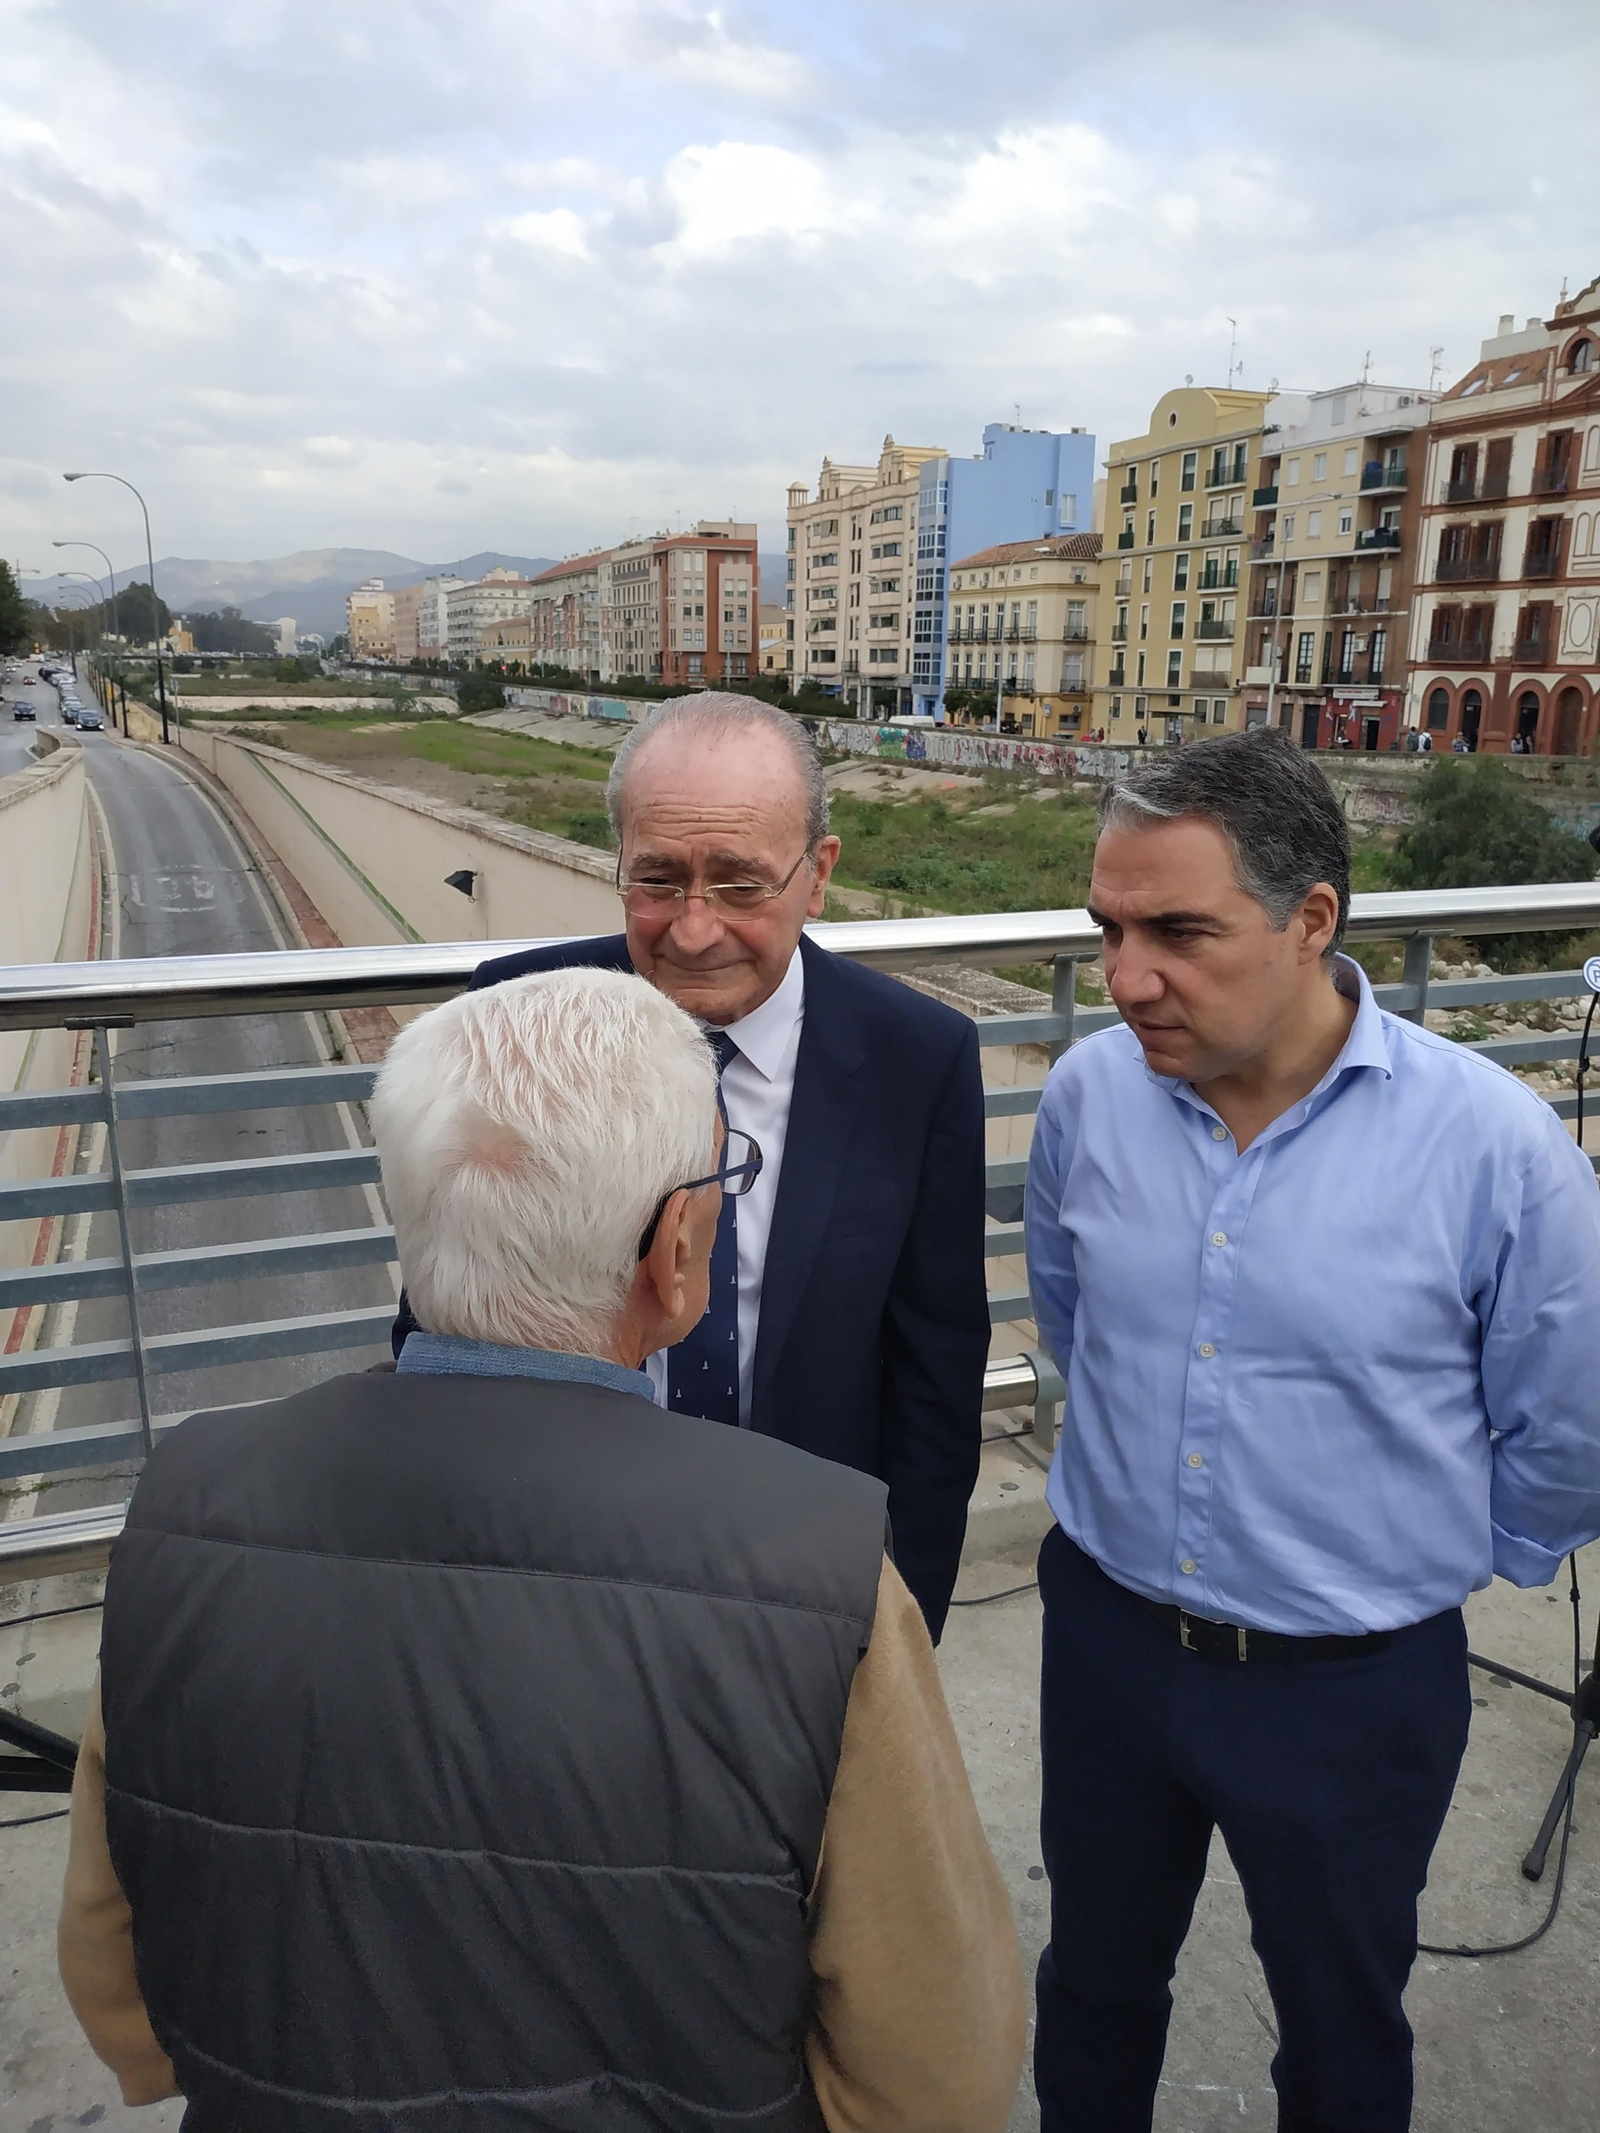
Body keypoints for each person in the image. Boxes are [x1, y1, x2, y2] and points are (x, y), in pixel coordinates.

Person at [59, 970, 1025, 2132]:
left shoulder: (181, 1514)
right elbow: (938, 2069)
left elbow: (117, 1988)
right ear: (675, 1251)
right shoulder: (825, 1580)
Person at [1024, 728, 1600, 2133]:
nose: (1127, 976)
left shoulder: (1490, 1146)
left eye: (1178, 930)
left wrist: (1422, 1572)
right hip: (1106, 1646)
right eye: (1109, 929)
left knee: (1341, 2028)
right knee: (1092, 1988)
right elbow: (1072, 1318)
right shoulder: (1086, 1097)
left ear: (1312, 919)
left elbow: (1569, 1414)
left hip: (1350, 1690)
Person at [392, 693, 989, 1638]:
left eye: (742, 885)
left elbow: (935, 1382)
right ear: (619, 860)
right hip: (549, 1581)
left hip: (800, 1591)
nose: (694, 928)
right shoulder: (517, 1014)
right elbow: (438, 1320)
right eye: (658, 879)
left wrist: (897, 1629)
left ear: (817, 873)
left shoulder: (919, 1060)